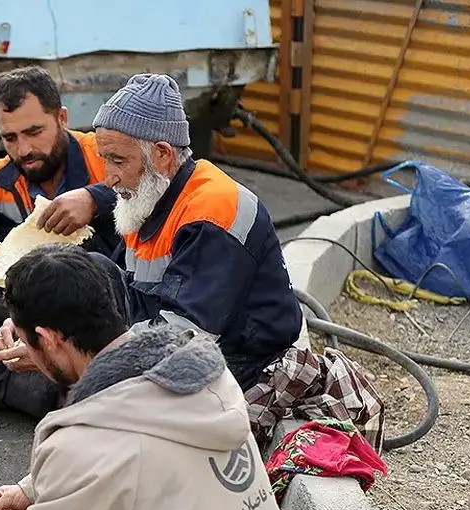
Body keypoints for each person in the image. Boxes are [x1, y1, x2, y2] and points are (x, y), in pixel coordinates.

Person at [87, 74, 382, 447]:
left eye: (117, 161)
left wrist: (95, 357)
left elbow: (184, 337)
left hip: (244, 367)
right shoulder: (149, 196)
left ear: (162, 154)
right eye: (105, 160)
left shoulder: (213, 210)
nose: (109, 178)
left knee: (108, 425)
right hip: (200, 352)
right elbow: (126, 290)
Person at [0, 244, 298, 510]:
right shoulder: (210, 380)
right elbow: (137, 465)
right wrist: (32, 490)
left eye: (25, 341)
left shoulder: (83, 450)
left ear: (48, 340)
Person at [0, 66, 124, 417]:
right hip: (27, 310)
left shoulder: (103, 155)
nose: (25, 149)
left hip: (101, 306)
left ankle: (12, 388)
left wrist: (96, 199)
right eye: (10, 138)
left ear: (62, 118)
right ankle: (55, 395)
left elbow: (160, 189)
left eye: (34, 132)